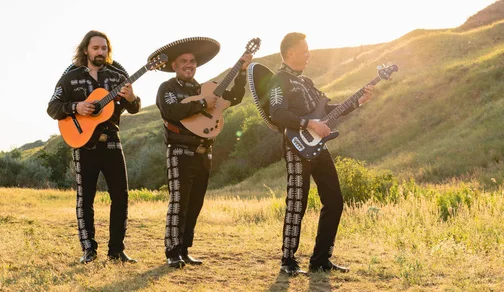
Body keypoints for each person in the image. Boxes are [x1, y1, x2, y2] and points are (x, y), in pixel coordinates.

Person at [267, 32, 374, 275]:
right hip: (296, 147)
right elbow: (277, 113)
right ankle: (288, 261)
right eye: (305, 51)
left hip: (318, 147)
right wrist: (309, 124)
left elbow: (328, 111)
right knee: (297, 203)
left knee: (334, 200)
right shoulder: (279, 80)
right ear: (291, 52)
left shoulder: (306, 82)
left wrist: (358, 102)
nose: (309, 55)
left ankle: (321, 259)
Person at [147, 37, 253, 268]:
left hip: (204, 152)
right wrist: (203, 103)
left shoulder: (204, 87)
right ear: (174, 65)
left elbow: (233, 98)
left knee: (195, 204)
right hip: (179, 151)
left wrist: (242, 72)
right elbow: (172, 111)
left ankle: (185, 250)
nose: (189, 64)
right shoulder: (167, 88)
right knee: (179, 202)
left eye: (192, 61)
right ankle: (172, 251)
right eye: (183, 61)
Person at [47, 30, 141, 264]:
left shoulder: (118, 76)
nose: (100, 52)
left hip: (112, 143)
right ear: (86, 50)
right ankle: (89, 250)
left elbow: (135, 108)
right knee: (85, 199)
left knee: (121, 197)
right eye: (96, 48)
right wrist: (75, 107)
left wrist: (131, 98)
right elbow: (53, 107)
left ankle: (117, 250)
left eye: (104, 48)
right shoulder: (70, 77)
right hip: (84, 145)